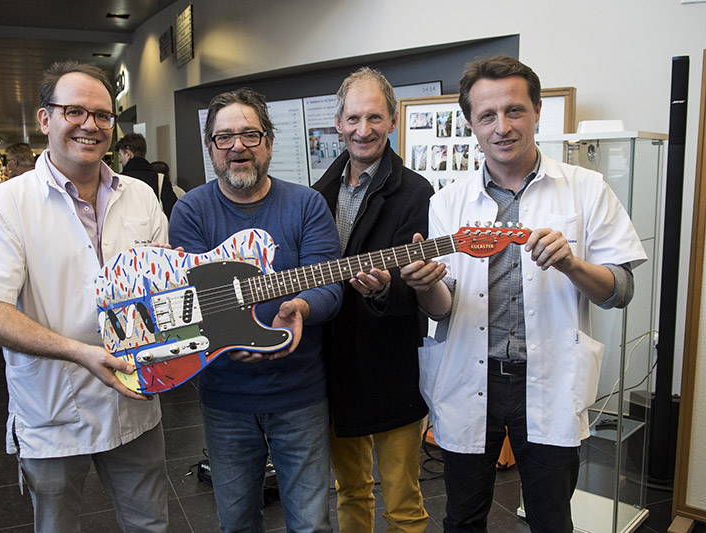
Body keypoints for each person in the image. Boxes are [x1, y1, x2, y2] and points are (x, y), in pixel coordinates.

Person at [400, 55, 647, 533]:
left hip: (549, 377)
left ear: (537, 111)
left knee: (551, 518)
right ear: (471, 124)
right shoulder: (448, 202)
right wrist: (426, 286)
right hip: (471, 378)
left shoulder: (586, 189)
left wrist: (572, 264)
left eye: (514, 110)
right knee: (463, 518)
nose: (502, 127)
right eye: (487, 115)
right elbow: (443, 307)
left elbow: (620, 291)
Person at [0, 60, 169, 532]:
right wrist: (80, 352)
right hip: (53, 411)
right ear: (45, 119)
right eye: (75, 111)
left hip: (135, 400)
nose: (90, 124)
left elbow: (160, 293)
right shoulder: (6, 204)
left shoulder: (141, 196)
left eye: (103, 115)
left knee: (150, 524)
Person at [168, 87, 342, 532]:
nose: (237, 147)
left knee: (311, 525)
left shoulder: (307, 204)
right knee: (237, 523)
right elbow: (190, 301)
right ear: (211, 148)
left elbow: (329, 286)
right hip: (225, 397)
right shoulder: (190, 210)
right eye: (224, 137)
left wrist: (299, 306)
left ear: (269, 142)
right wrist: (228, 341)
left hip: (299, 393)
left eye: (249, 134)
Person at [312, 67, 431, 532]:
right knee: (351, 490)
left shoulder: (416, 192)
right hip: (335, 364)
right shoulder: (317, 193)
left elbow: (421, 282)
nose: (364, 130)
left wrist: (387, 285)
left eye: (375, 117)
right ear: (338, 123)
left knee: (402, 502)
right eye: (354, 118)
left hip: (390, 363)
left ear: (393, 121)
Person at [115, 133, 176, 217]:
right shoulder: (160, 179)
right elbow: (173, 212)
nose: (120, 160)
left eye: (120, 155)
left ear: (128, 154)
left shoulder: (118, 181)